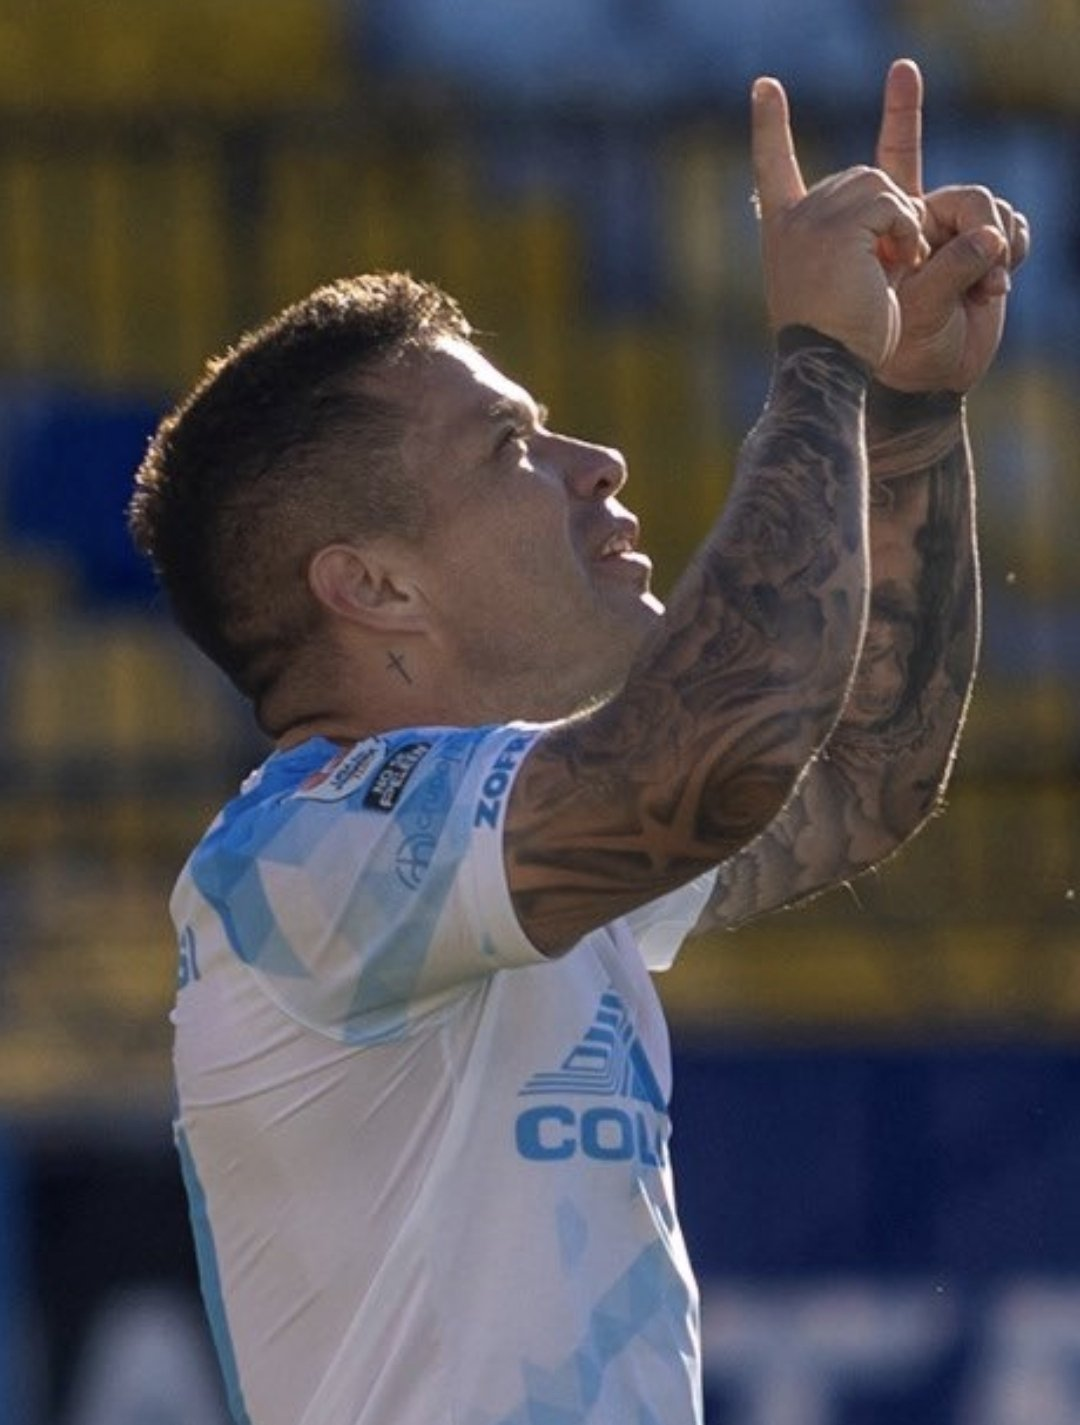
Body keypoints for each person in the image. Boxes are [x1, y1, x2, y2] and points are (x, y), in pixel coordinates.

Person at [128, 60, 1026, 1425]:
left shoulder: (496, 839)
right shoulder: (299, 862)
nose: (596, 461)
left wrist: (904, 413)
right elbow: (722, 757)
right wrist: (821, 361)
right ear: (373, 586)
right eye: (512, 446)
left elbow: (861, 778)